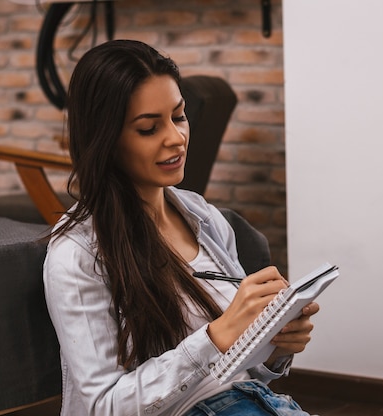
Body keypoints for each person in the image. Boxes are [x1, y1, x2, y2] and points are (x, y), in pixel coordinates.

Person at [43, 39, 320, 416]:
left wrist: (275, 347)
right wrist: (214, 338)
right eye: (148, 128)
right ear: (105, 139)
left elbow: (240, 370)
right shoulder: (78, 254)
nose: (176, 137)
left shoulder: (204, 218)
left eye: (179, 116)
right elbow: (102, 406)